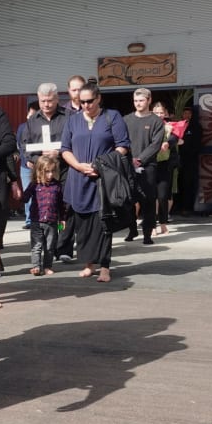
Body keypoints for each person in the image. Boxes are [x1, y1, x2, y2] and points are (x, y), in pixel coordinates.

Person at [60, 82, 131, 283]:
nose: (86, 106)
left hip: (103, 179)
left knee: (103, 223)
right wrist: (78, 166)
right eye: (81, 102)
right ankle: (88, 264)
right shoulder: (73, 121)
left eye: (90, 101)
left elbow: (123, 146)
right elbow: (65, 148)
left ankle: (105, 267)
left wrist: (100, 165)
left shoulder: (112, 116)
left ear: (98, 98)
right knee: (82, 225)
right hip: (78, 178)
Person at [122, 88, 165, 244]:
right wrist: (128, 159)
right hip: (127, 165)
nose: (138, 104)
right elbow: (120, 140)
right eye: (135, 101)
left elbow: (156, 144)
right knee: (129, 200)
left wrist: (140, 159)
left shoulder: (156, 121)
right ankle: (132, 230)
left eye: (141, 100)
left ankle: (147, 234)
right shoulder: (126, 120)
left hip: (148, 166)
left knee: (148, 201)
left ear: (148, 100)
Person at [55, 75, 86, 262]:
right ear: (68, 91)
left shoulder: (92, 110)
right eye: (73, 89)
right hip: (64, 166)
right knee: (64, 210)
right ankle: (63, 247)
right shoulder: (63, 113)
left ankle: (84, 247)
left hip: (85, 166)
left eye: (80, 89)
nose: (77, 93)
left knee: (80, 209)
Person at [22, 154, 62, 276]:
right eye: (46, 172)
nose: (50, 175)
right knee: (36, 245)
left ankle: (47, 266)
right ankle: (36, 266)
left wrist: (62, 221)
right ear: (39, 171)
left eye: (52, 171)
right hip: (36, 220)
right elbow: (24, 198)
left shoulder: (57, 185)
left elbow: (61, 204)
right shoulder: (35, 185)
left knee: (50, 246)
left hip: (52, 221)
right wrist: (20, 195)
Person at [151, 101, 179, 236]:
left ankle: (163, 223)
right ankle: (152, 225)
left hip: (165, 164)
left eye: (161, 112)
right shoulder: (147, 125)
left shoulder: (170, 126)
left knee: (162, 196)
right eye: (156, 112)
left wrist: (168, 143)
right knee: (150, 197)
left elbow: (176, 138)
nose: (159, 115)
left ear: (166, 113)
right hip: (149, 163)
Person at [15, 102, 39, 229]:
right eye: (29, 115)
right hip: (26, 166)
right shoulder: (22, 128)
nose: (30, 119)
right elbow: (20, 146)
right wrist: (27, 160)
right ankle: (30, 220)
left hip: (44, 166)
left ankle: (49, 220)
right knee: (28, 192)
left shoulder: (43, 126)